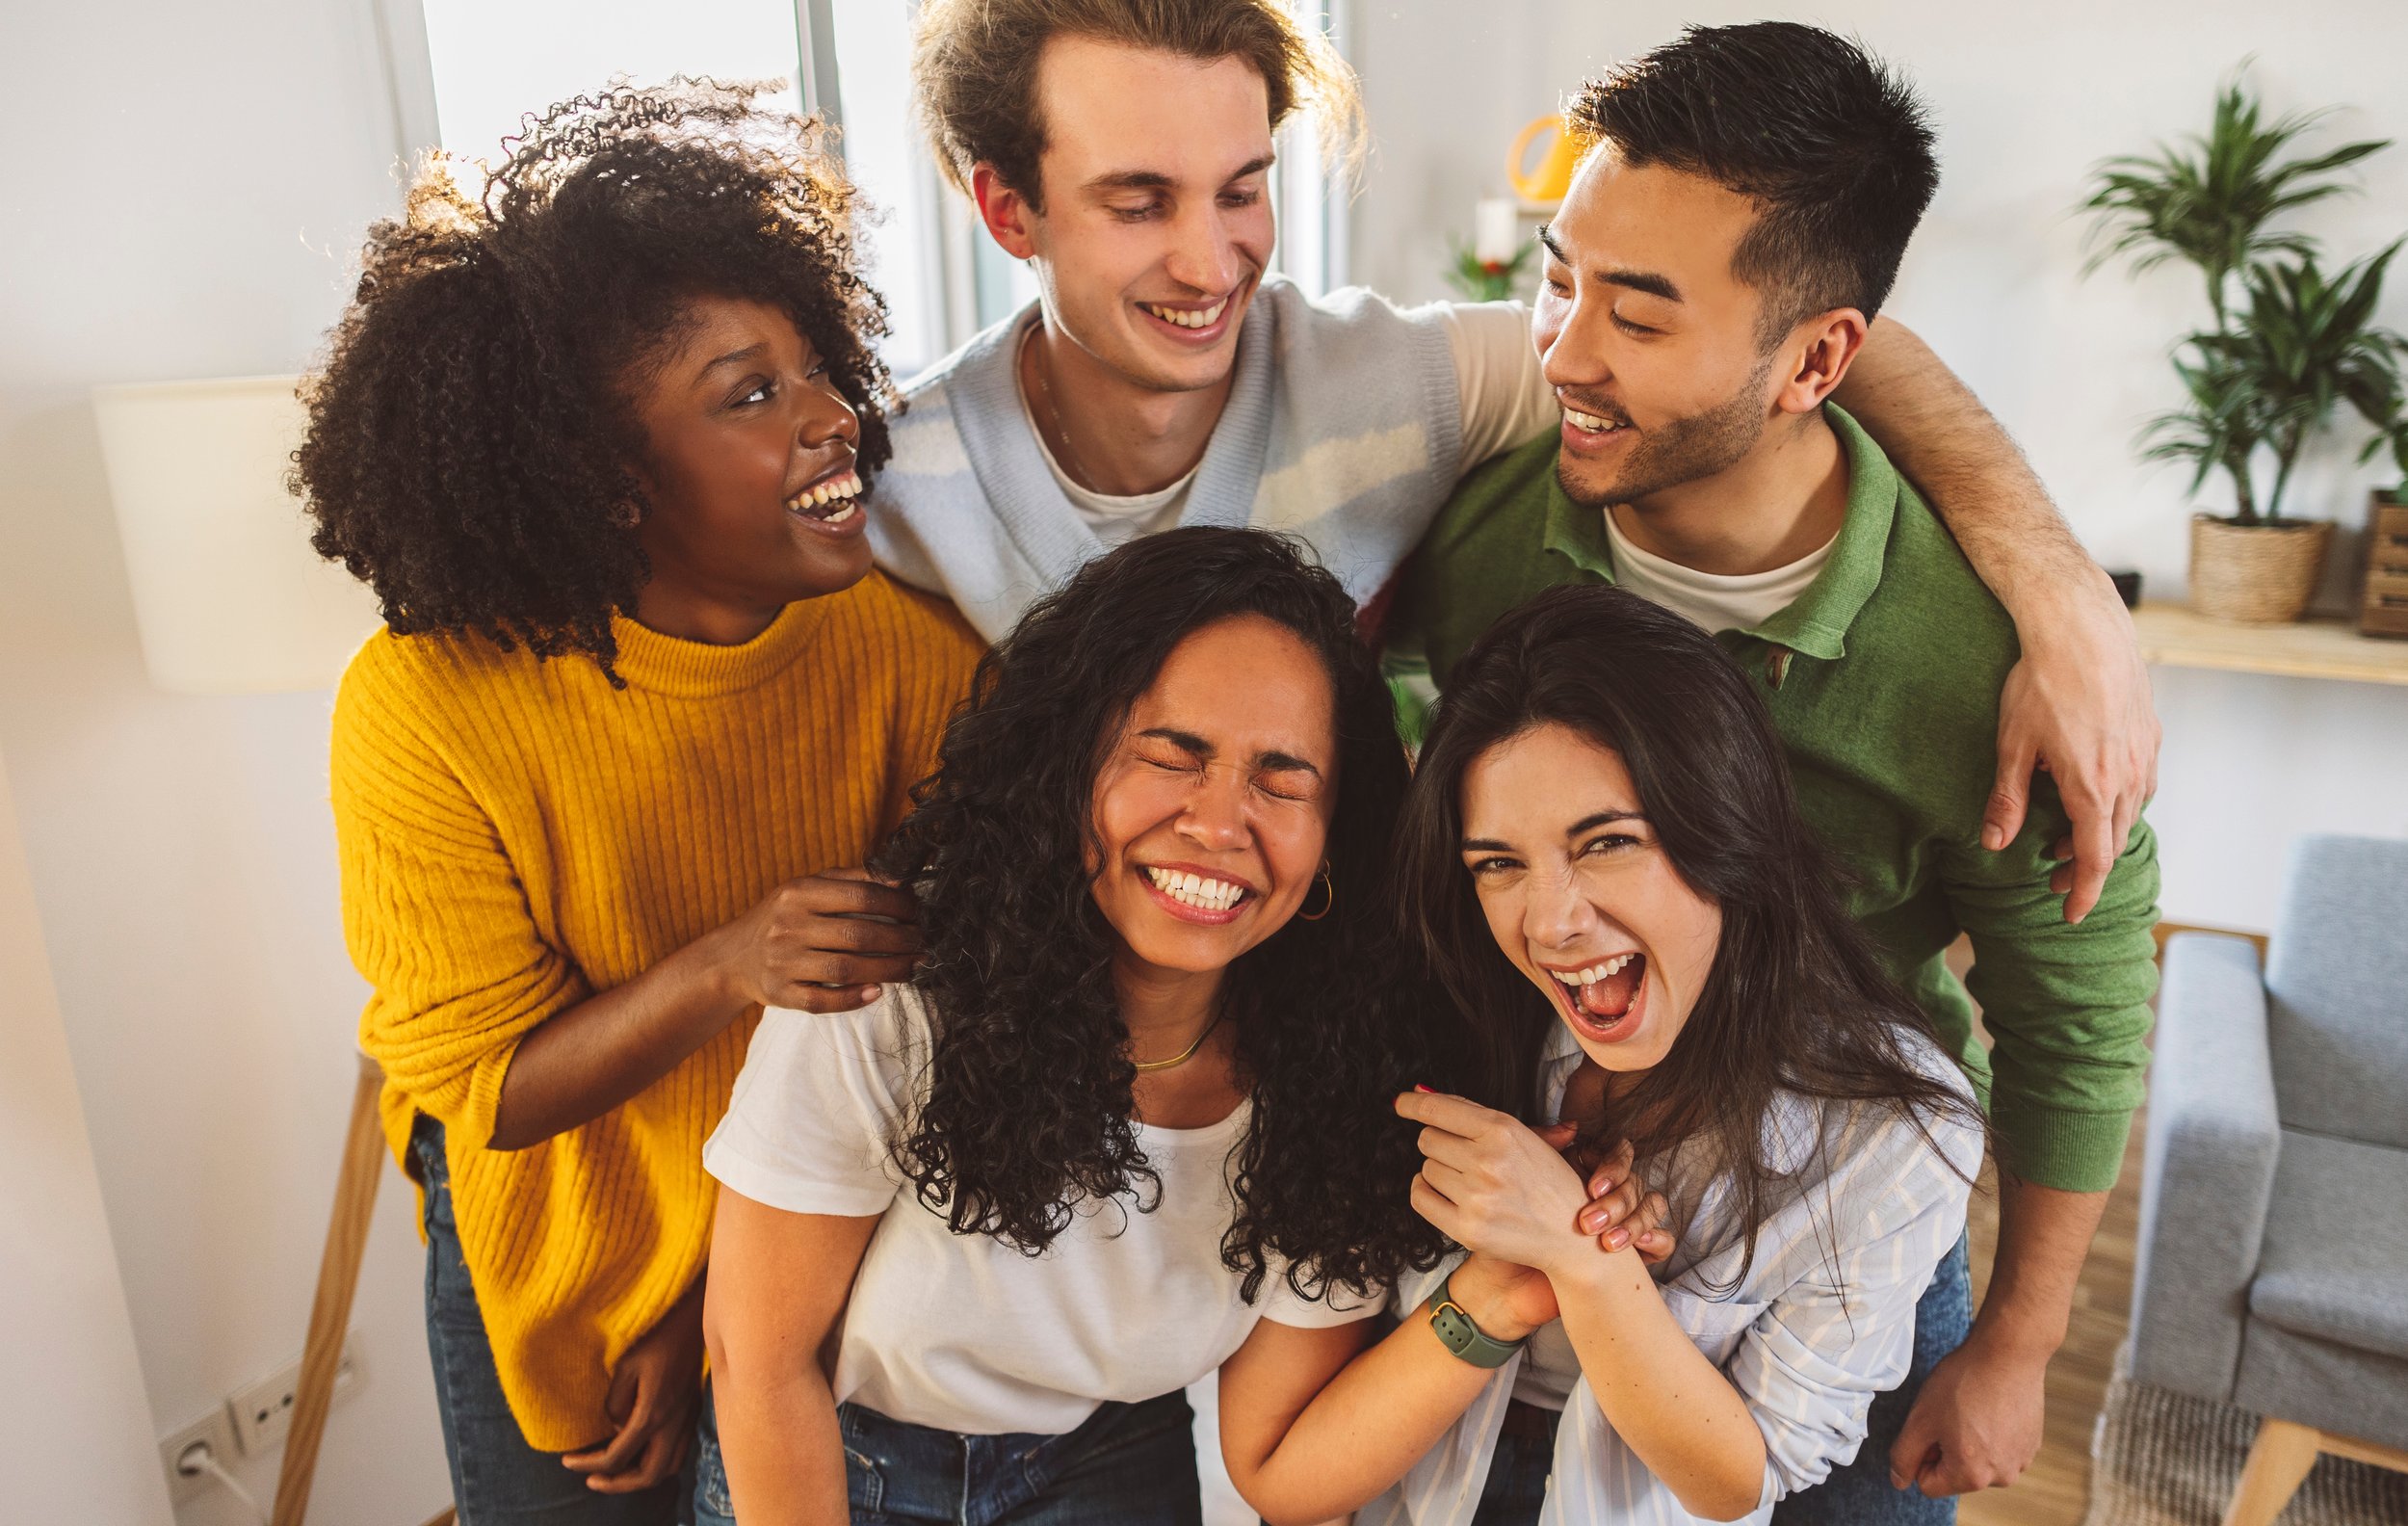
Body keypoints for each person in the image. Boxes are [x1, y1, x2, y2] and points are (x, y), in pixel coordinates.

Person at [875, 0, 2156, 928]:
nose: (1214, 264)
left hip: (1332, 1042)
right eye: (1138, 200)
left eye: (1243, 189)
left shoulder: (1398, 384)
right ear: (1007, 210)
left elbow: (1789, 345)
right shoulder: (894, 475)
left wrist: (2062, 597)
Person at [1385, 25, 2163, 1518]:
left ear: (1818, 360)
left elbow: (2080, 1016)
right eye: (1563, 280)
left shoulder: (1985, 666)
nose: (1564, 354)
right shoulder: (1488, 531)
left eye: (1643, 317)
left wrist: (2017, 1341)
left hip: (1841, 1238)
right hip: (1556, 1201)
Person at [303, 83, 983, 1524]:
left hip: (820, 1246)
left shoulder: (916, 661)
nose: (831, 417)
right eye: (753, 395)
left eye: (816, 370)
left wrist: (724, 1312)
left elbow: (948, 1035)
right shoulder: (425, 705)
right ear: (607, 483)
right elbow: (487, 1090)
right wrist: (731, 965)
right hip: (565, 1254)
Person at [697, 529, 1666, 1525]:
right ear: (1066, 766)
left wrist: (1499, 1297)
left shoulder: (1348, 1062)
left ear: (1337, 832)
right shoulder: (894, 987)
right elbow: (759, 1367)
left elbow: (1282, 1469)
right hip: (836, 1455)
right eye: (1172, 754)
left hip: (1113, 1454)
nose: (1218, 823)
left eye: (1281, 779)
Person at [1219, 584, 1987, 1526]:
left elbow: (1738, 1478)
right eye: (1497, 863)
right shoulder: (1417, 1010)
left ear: (1728, 826)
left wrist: (1588, 1266)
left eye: (1609, 843)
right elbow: (1281, 1470)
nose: (1550, 924)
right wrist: (1498, 1287)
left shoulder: (1892, 1128)